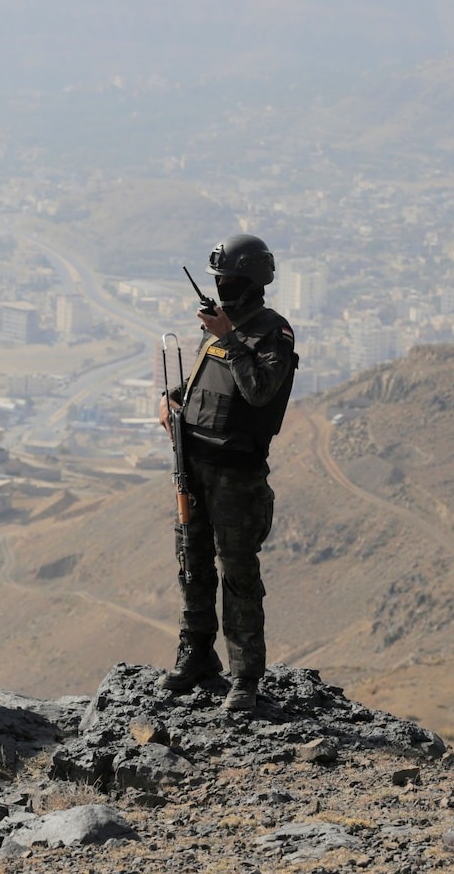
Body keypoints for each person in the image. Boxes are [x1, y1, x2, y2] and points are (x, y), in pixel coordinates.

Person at [158, 233, 298, 711]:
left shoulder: (271, 333)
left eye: (228, 280)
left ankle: (245, 677)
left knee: (237, 572)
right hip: (193, 462)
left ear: (252, 282)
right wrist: (172, 399)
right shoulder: (223, 329)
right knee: (192, 564)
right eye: (218, 279)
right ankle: (196, 654)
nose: (221, 288)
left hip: (236, 475)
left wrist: (230, 339)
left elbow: (259, 390)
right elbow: (205, 379)